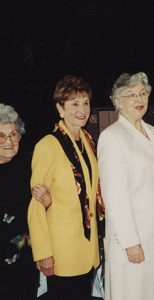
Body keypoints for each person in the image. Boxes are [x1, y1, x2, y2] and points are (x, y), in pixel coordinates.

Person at [97, 71, 154, 300]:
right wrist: (131, 242)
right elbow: (114, 195)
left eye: (143, 93)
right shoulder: (112, 137)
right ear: (118, 101)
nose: (139, 99)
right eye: (131, 95)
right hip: (131, 243)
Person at [28, 75, 101, 299]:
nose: (82, 110)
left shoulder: (87, 142)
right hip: (62, 251)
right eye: (74, 104)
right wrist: (43, 253)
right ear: (60, 108)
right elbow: (36, 205)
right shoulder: (48, 145)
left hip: (86, 249)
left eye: (86, 103)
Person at [0, 103, 49, 299]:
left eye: (13, 134)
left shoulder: (28, 167)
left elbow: (37, 211)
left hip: (24, 263)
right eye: (1, 135)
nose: (8, 141)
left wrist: (46, 202)